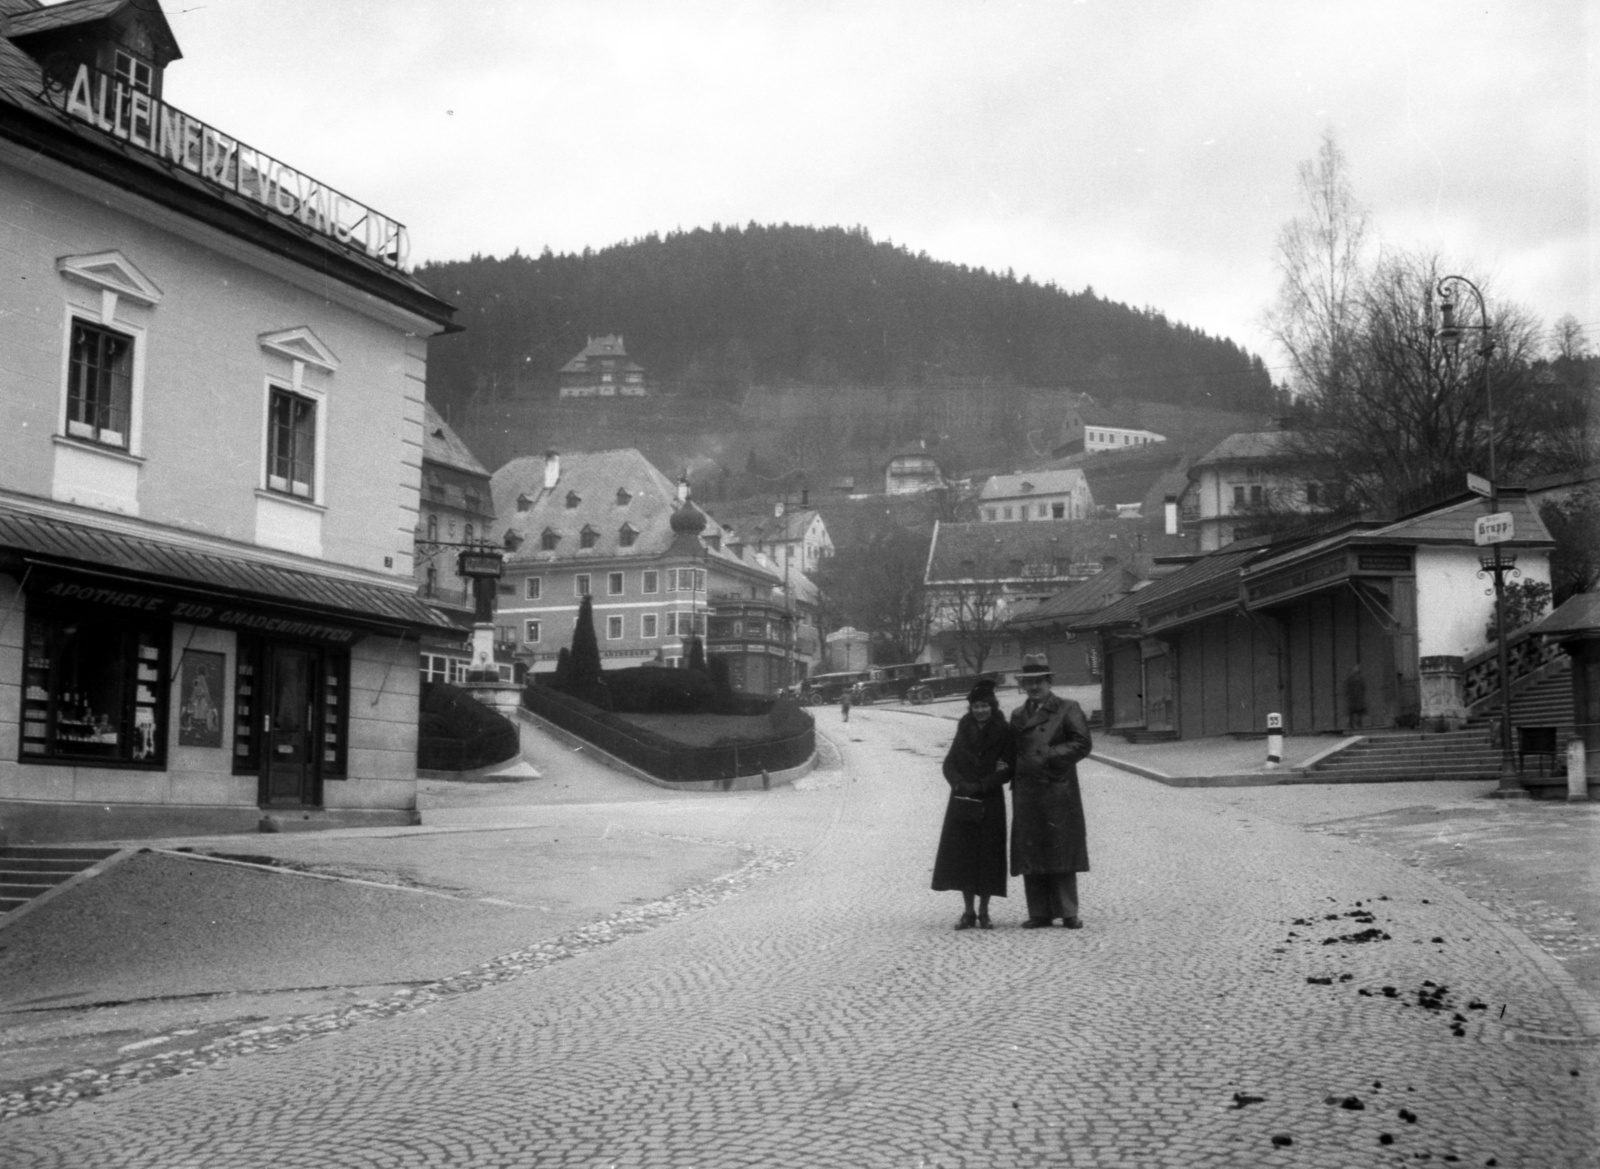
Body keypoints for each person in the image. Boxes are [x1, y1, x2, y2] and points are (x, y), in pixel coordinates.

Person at [1008, 654, 1093, 929]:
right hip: (1027, 791)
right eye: (1029, 682)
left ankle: (1069, 912)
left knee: (1061, 848)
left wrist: (1048, 755)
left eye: (1039, 682)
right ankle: (1039, 912)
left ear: (1049, 681)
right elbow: (1011, 749)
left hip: (1058, 789)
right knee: (1032, 849)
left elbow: (1082, 743)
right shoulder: (1018, 715)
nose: (1034, 687)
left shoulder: (1068, 708)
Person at [931, 681, 1013, 930]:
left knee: (988, 856)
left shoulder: (1005, 730)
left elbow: (1008, 767)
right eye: (976, 706)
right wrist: (959, 784)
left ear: (993, 706)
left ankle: (984, 912)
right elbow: (949, 763)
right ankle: (968, 912)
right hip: (964, 800)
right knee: (964, 856)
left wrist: (985, 784)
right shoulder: (964, 728)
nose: (980, 711)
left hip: (990, 801)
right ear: (971, 708)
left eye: (985, 706)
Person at [1345, 665, 1367, 731]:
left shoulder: (1354, 679)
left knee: (1356, 712)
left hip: (1356, 699)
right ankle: (1354, 725)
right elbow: (1363, 688)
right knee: (1354, 712)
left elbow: (1363, 687)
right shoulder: (1354, 679)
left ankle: (1357, 725)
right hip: (1354, 699)